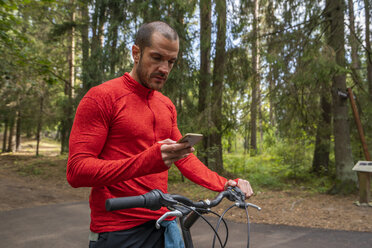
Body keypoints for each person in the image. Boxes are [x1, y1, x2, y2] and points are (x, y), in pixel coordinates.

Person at [67, 21, 254, 248]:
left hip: (161, 224)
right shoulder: (102, 97)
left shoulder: (166, 105)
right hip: (117, 231)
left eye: (171, 61)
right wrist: (148, 161)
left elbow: (184, 158)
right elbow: (76, 172)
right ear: (136, 53)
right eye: (157, 58)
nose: (164, 68)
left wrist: (226, 184)